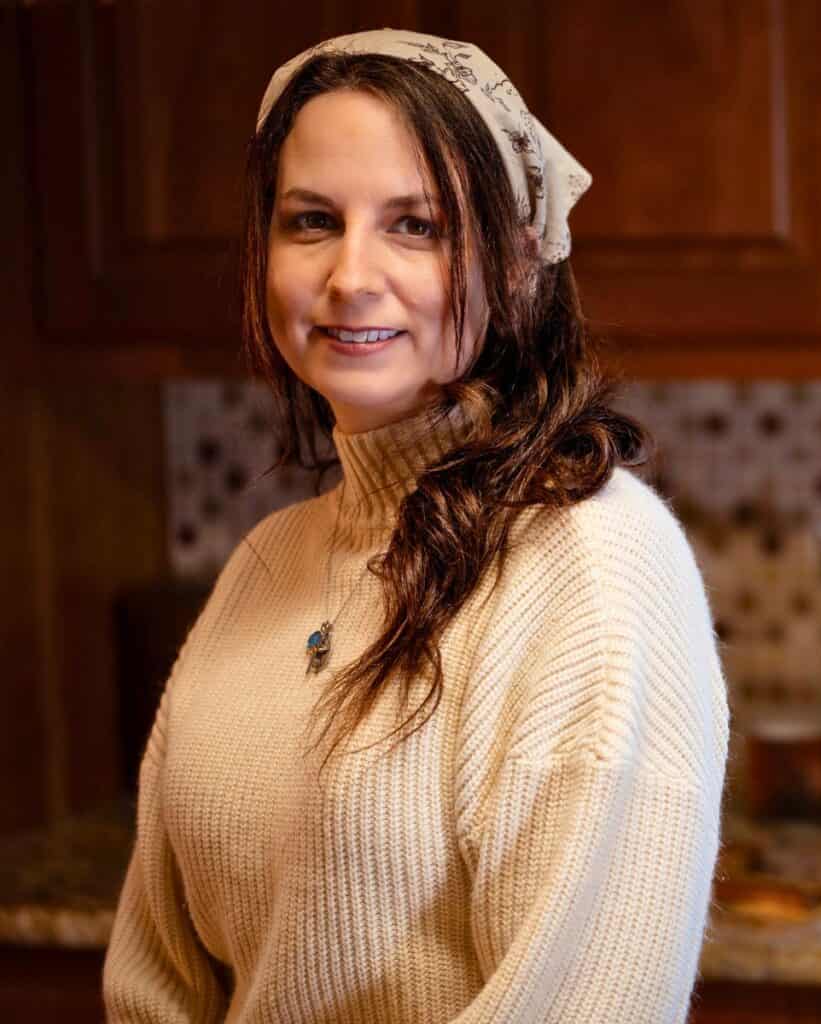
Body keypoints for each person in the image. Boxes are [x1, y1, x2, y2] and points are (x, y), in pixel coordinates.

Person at [103, 28, 731, 1024]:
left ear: (520, 262)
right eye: (311, 220)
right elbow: (152, 976)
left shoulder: (596, 562)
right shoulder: (267, 563)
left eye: (417, 225)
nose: (351, 274)